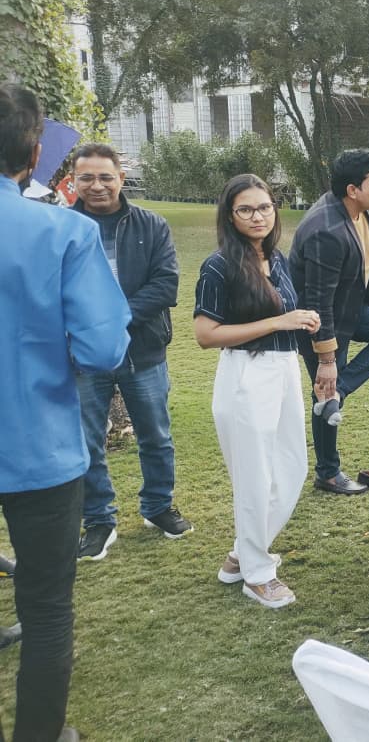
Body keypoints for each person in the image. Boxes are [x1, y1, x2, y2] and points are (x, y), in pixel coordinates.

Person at [0, 84, 130, 741]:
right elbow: (103, 348)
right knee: (47, 609)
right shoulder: (64, 233)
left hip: (38, 447)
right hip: (38, 446)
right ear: (34, 154)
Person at [194, 175, 318, 608]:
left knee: (292, 468)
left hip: (284, 368)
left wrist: (301, 320)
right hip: (246, 373)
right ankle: (257, 574)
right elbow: (206, 335)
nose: (257, 216)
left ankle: (240, 554)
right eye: (245, 209)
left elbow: (283, 313)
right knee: (255, 479)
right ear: (230, 216)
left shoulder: (276, 258)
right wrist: (278, 322)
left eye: (264, 207)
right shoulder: (218, 266)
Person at [71, 142, 190, 561]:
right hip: (82, 355)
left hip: (142, 349)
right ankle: (99, 521)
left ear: (121, 178)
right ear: (73, 180)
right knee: (87, 441)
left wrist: (111, 319)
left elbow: (165, 285)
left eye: (106, 177)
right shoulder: (62, 226)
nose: (97, 185)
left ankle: (157, 506)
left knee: (155, 435)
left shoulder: (151, 225)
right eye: (87, 177)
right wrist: (90, 329)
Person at [288, 148, 369, 495]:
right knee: (325, 387)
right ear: (352, 190)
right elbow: (318, 302)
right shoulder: (325, 232)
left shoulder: (355, 210)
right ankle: (328, 473)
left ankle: (337, 391)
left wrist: (337, 381)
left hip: (349, 308)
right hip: (320, 322)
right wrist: (327, 360)